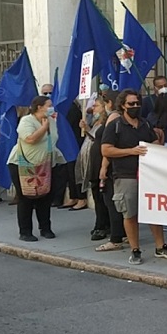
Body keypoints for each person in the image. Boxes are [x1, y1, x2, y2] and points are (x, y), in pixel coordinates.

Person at [101, 89, 167, 265]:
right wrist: (131, 151)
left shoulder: (145, 124)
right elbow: (106, 149)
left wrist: (157, 144)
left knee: (153, 212)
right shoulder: (115, 125)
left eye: (137, 103)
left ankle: (161, 246)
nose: (135, 106)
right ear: (123, 105)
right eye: (131, 104)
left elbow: (152, 143)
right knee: (130, 214)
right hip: (125, 175)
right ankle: (135, 249)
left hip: (147, 175)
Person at [6, 95, 64, 241]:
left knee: (45, 196)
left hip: (45, 164)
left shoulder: (51, 120)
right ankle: (25, 231)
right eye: (49, 105)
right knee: (26, 197)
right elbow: (30, 139)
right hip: (23, 164)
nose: (51, 108)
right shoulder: (27, 120)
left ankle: (45, 228)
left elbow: (54, 139)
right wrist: (44, 128)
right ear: (39, 107)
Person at [95, 91, 127, 252]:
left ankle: (116, 237)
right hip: (111, 165)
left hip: (111, 167)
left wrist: (103, 167)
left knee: (112, 201)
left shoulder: (114, 118)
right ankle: (122, 233)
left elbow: (109, 145)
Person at [77, 97, 109, 240]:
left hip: (99, 164)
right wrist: (86, 129)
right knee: (97, 196)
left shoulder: (106, 122)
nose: (93, 108)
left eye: (96, 106)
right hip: (92, 161)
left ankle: (102, 225)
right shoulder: (96, 122)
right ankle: (100, 223)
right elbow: (94, 138)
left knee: (101, 197)